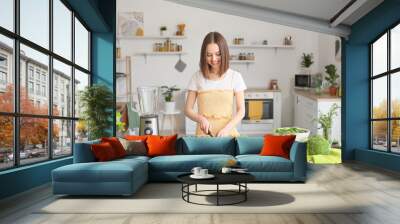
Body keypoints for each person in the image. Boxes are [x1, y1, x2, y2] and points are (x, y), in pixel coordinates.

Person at [185, 32, 246, 137]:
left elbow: (241, 111)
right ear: (204, 55)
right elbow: (187, 110)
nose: (213, 59)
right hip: (203, 136)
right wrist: (201, 119)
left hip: (228, 134)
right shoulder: (197, 77)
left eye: (218, 54)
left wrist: (226, 129)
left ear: (224, 53)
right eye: (209, 55)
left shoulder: (235, 77)